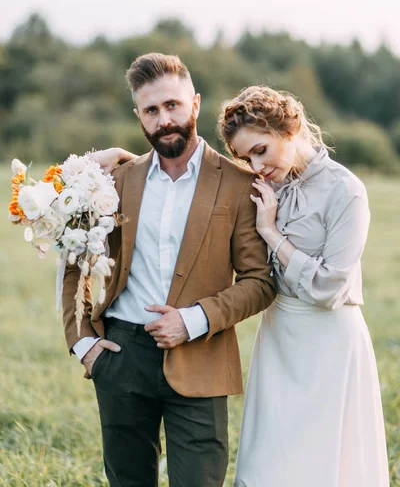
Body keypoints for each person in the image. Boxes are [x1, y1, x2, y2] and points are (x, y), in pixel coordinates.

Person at [62, 54, 275, 487]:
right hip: (119, 357)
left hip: (202, 355)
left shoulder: (239, 184)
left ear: (195, 104)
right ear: (138, 115)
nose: (165, 120)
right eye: (152, 110)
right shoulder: (116, 179)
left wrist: (193, 320)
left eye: (173, 105)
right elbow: (75, 260)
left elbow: (260, 283)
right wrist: (81, 340)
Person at [217, 86, 389, 487]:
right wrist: (116, 159)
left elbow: (331, 287)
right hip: (278, 338)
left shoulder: (346, 191)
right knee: (267, 464)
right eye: (245, 157)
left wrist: (272, 233)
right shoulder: (261, 186)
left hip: (329, 341)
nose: (255, 165)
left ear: (289, 130)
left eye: (260, 150)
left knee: (324, 462)